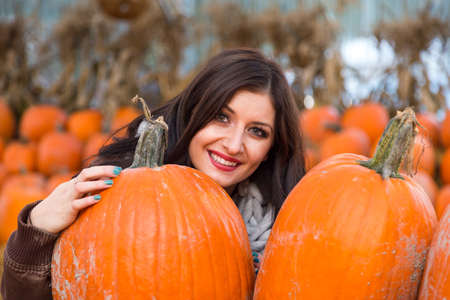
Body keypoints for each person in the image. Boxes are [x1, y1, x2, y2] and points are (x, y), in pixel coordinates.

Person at [1, 48, 305, 299]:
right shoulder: (109, 192)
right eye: (221, 117)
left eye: (257, 131)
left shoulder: (284, 231)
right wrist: (37, 231)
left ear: (272, 147)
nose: (234, 144)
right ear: (194, 113)